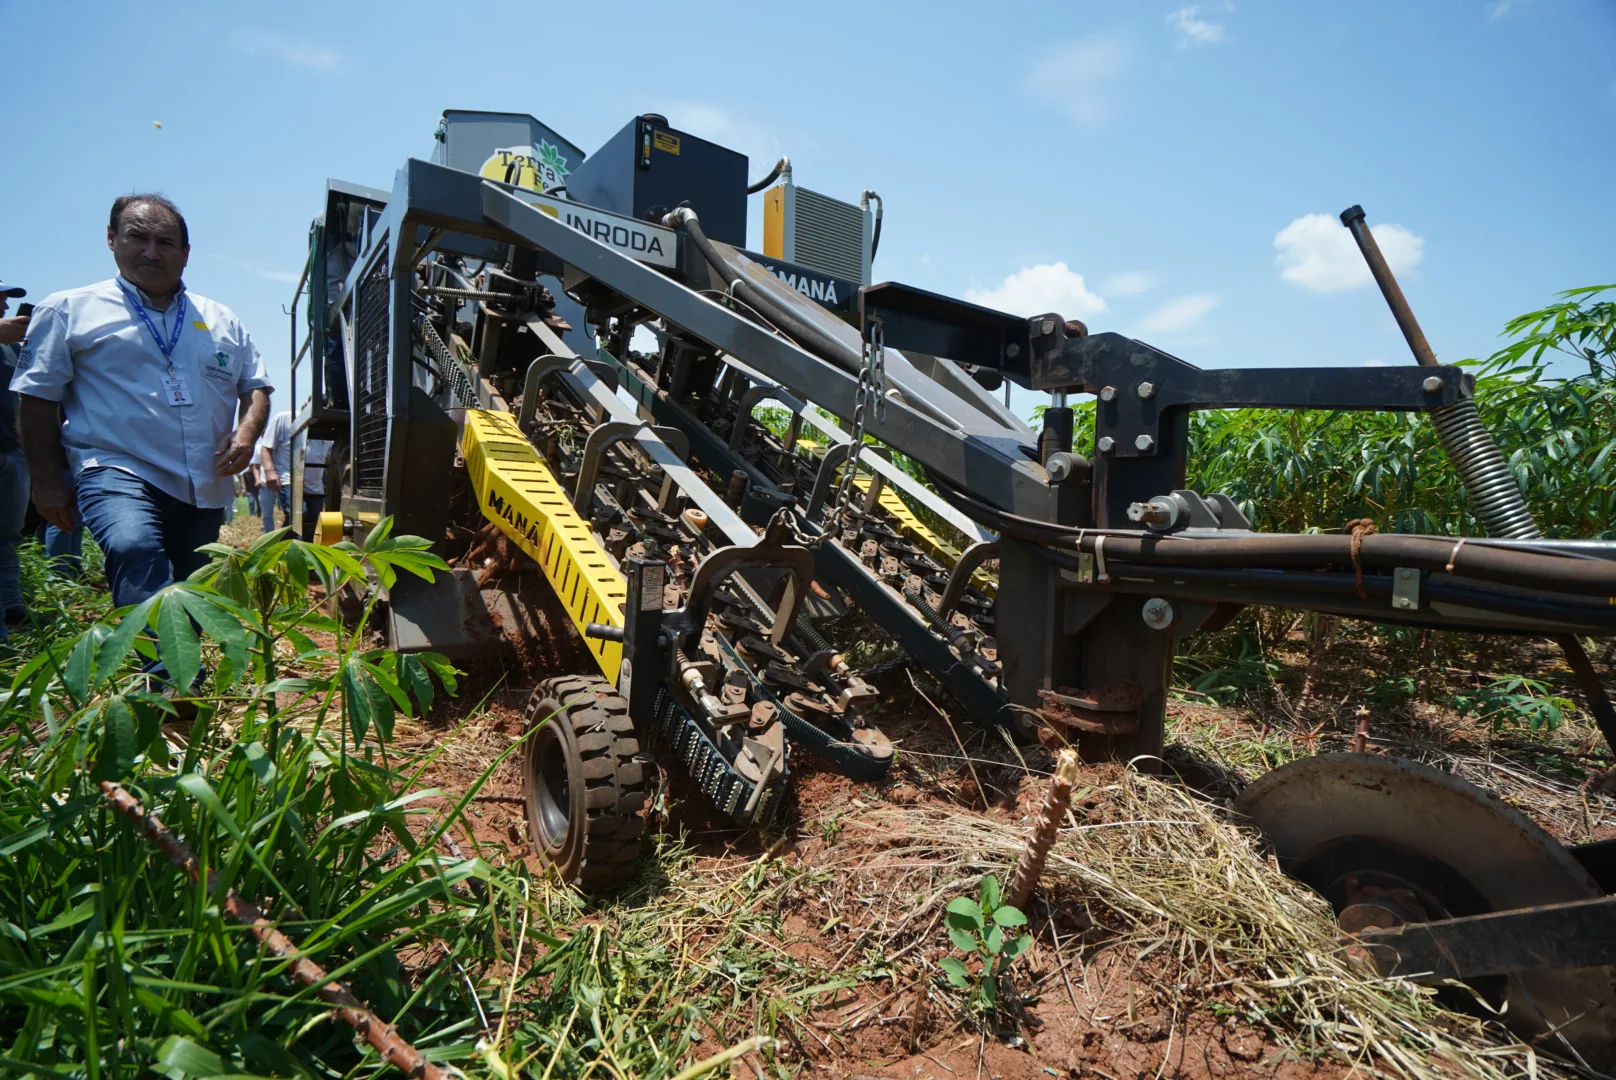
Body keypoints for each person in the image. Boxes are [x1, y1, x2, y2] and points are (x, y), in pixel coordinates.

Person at [13, 193, 272, 616]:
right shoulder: (68, 309)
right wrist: (45, 481)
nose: (151, 252)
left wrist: (246, 435)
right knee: (133, 545)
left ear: (186, 254)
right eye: (138, 238)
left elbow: (256, 387)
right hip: (116, 465)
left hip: (202, 478)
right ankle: (158, 677)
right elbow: (37, 399)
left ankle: (184, 670)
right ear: (112, 239)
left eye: (166, 243)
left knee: (193, 582)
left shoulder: (221, 318)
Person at [0, 279, 31, 637]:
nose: (5, 307)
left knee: (7, 536)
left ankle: (12, 609)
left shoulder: (10, 348)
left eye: (6, 300)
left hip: (12, 452)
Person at [258, 409, 291, 532]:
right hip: (265, 482)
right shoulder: (260, 448)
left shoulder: (278, 444)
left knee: (287, 511)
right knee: (267, 513)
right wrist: (261, 477)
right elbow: (255, 466)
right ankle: (268, 535)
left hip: (279, 480)